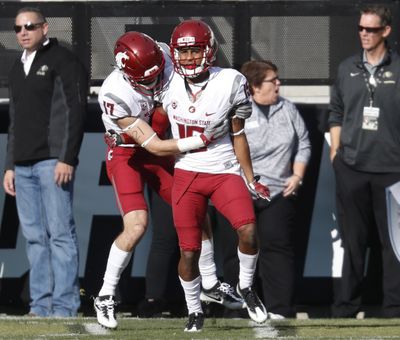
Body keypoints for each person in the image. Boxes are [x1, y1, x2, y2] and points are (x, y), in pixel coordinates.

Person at [94, 31, 242, 329]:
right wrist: (201, 138)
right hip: (129, 153)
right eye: (146, 81)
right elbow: (154, 145)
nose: (155, 84)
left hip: (160, 143)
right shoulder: (114, 94)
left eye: (158, 75)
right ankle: (106, 293)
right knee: (137, 225)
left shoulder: (163, 58)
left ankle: (211, 282)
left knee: (195, 205)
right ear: (128, 75)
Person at [159, 20, 270, 331]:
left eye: (195, 51)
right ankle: (195, 309)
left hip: (223, 170)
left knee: (247, 230)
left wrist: (249, 177)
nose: (189, 58)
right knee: (189, 251)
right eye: (183, 52)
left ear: (209, 51)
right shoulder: (166, 82)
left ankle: (246, 287)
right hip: (186, 171)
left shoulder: (231, 81)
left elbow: (238, 134)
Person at [2, 7, 88, 317]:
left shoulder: (63, 60)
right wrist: (10, 165)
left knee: (60, 234)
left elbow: (75, 111)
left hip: (52, 162)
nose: (23, 32)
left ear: (45, 28)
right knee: (35, 238)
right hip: (23, 165)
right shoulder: (16, 67)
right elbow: (15, 120)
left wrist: (67, 157)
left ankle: (64, 306)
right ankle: (40, 306)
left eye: (30, 26)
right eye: (18, 28)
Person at [329, 5, 400, 318]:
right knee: (353, 242)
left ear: (386, 31)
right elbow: (337, 113)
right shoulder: (347, 67)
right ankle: (346, 308)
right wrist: (336, 153)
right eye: (360, 28)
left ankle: (393, 308)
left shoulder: (398, 68)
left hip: (393, 170)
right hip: (353, 167)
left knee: (393, 245)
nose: (364, 34)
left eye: (370, 29)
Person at [237, 60, 310, 318]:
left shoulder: (287, 108)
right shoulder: (239, 112)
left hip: (278, 192)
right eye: (272, 80)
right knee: (239, 251)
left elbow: (303, 143)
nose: (278, 84)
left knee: (277, 249)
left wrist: (297, 175)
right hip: (243, 192)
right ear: (255, 86)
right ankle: (238, 308)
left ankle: (279, 308)